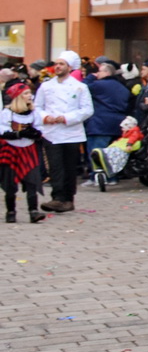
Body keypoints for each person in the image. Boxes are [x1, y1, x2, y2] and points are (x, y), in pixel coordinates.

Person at [36, 51, 92, 212]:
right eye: (57, 63)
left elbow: (87, 110)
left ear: (69, 67)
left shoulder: (80, 87)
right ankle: (57, 197)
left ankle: (68, 198)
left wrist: (66, 118)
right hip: (51, 133)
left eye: (62, 64)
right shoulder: (46, 86)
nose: (58, 66)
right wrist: (45, 117)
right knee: (55, 166)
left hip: (72, 133)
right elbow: (37, 107)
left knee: (68, 167)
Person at [1, 83, 46, 223]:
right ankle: (11, 211)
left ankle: (33, 211)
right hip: (11, 150)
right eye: (26, 93)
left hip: (28, 150)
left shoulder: (34, 113)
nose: (30, 96)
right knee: (10, 184)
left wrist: (35, 133)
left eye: (29, 93)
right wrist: (19, 133)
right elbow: (2, 132)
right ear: (18, 97)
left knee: (32, 180)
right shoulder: (7, 113)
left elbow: (40, 128)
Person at [85, 57, 133, 155]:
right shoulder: (123, 88)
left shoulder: (98, 85)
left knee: (97, 158)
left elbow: (81, 87)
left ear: (107, 73)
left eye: (100, 71)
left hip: (99, 126)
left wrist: (90, 77)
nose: (97, 74)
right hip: (118, 126)